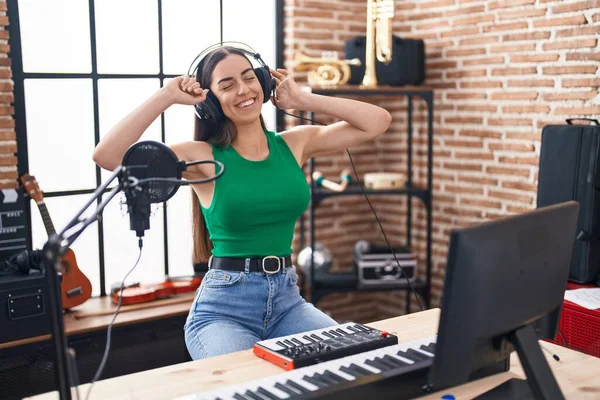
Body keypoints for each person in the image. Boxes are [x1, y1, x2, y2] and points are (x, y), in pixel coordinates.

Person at [92, 44, 392, 360]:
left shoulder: (295, 143)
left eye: (249, 78)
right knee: (248, 391)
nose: (243, 90)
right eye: (227, 85)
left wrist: (303, 98)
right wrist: (166, 96)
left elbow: (378, 121)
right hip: (223, 311)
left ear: (263, 83)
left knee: (353, 361)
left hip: (288, 303)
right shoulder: (201, 156)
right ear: (210, 101)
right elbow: (107, 156)